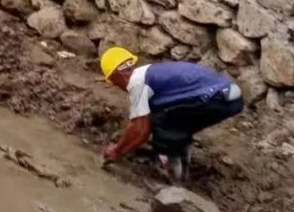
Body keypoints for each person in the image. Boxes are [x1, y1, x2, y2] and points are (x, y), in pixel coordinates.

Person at [100, 46, 244, 182]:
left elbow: (141, 130)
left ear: (118, 76)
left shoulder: (136, 83)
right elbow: (141, 125)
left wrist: (117, 150)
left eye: (113, 82)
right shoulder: (149, 73)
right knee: (177, 126)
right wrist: (124, 147)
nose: (117, 87)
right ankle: (182, 164)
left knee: (162, 124)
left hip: (215, 98)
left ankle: (171, 173)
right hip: (230, 98)